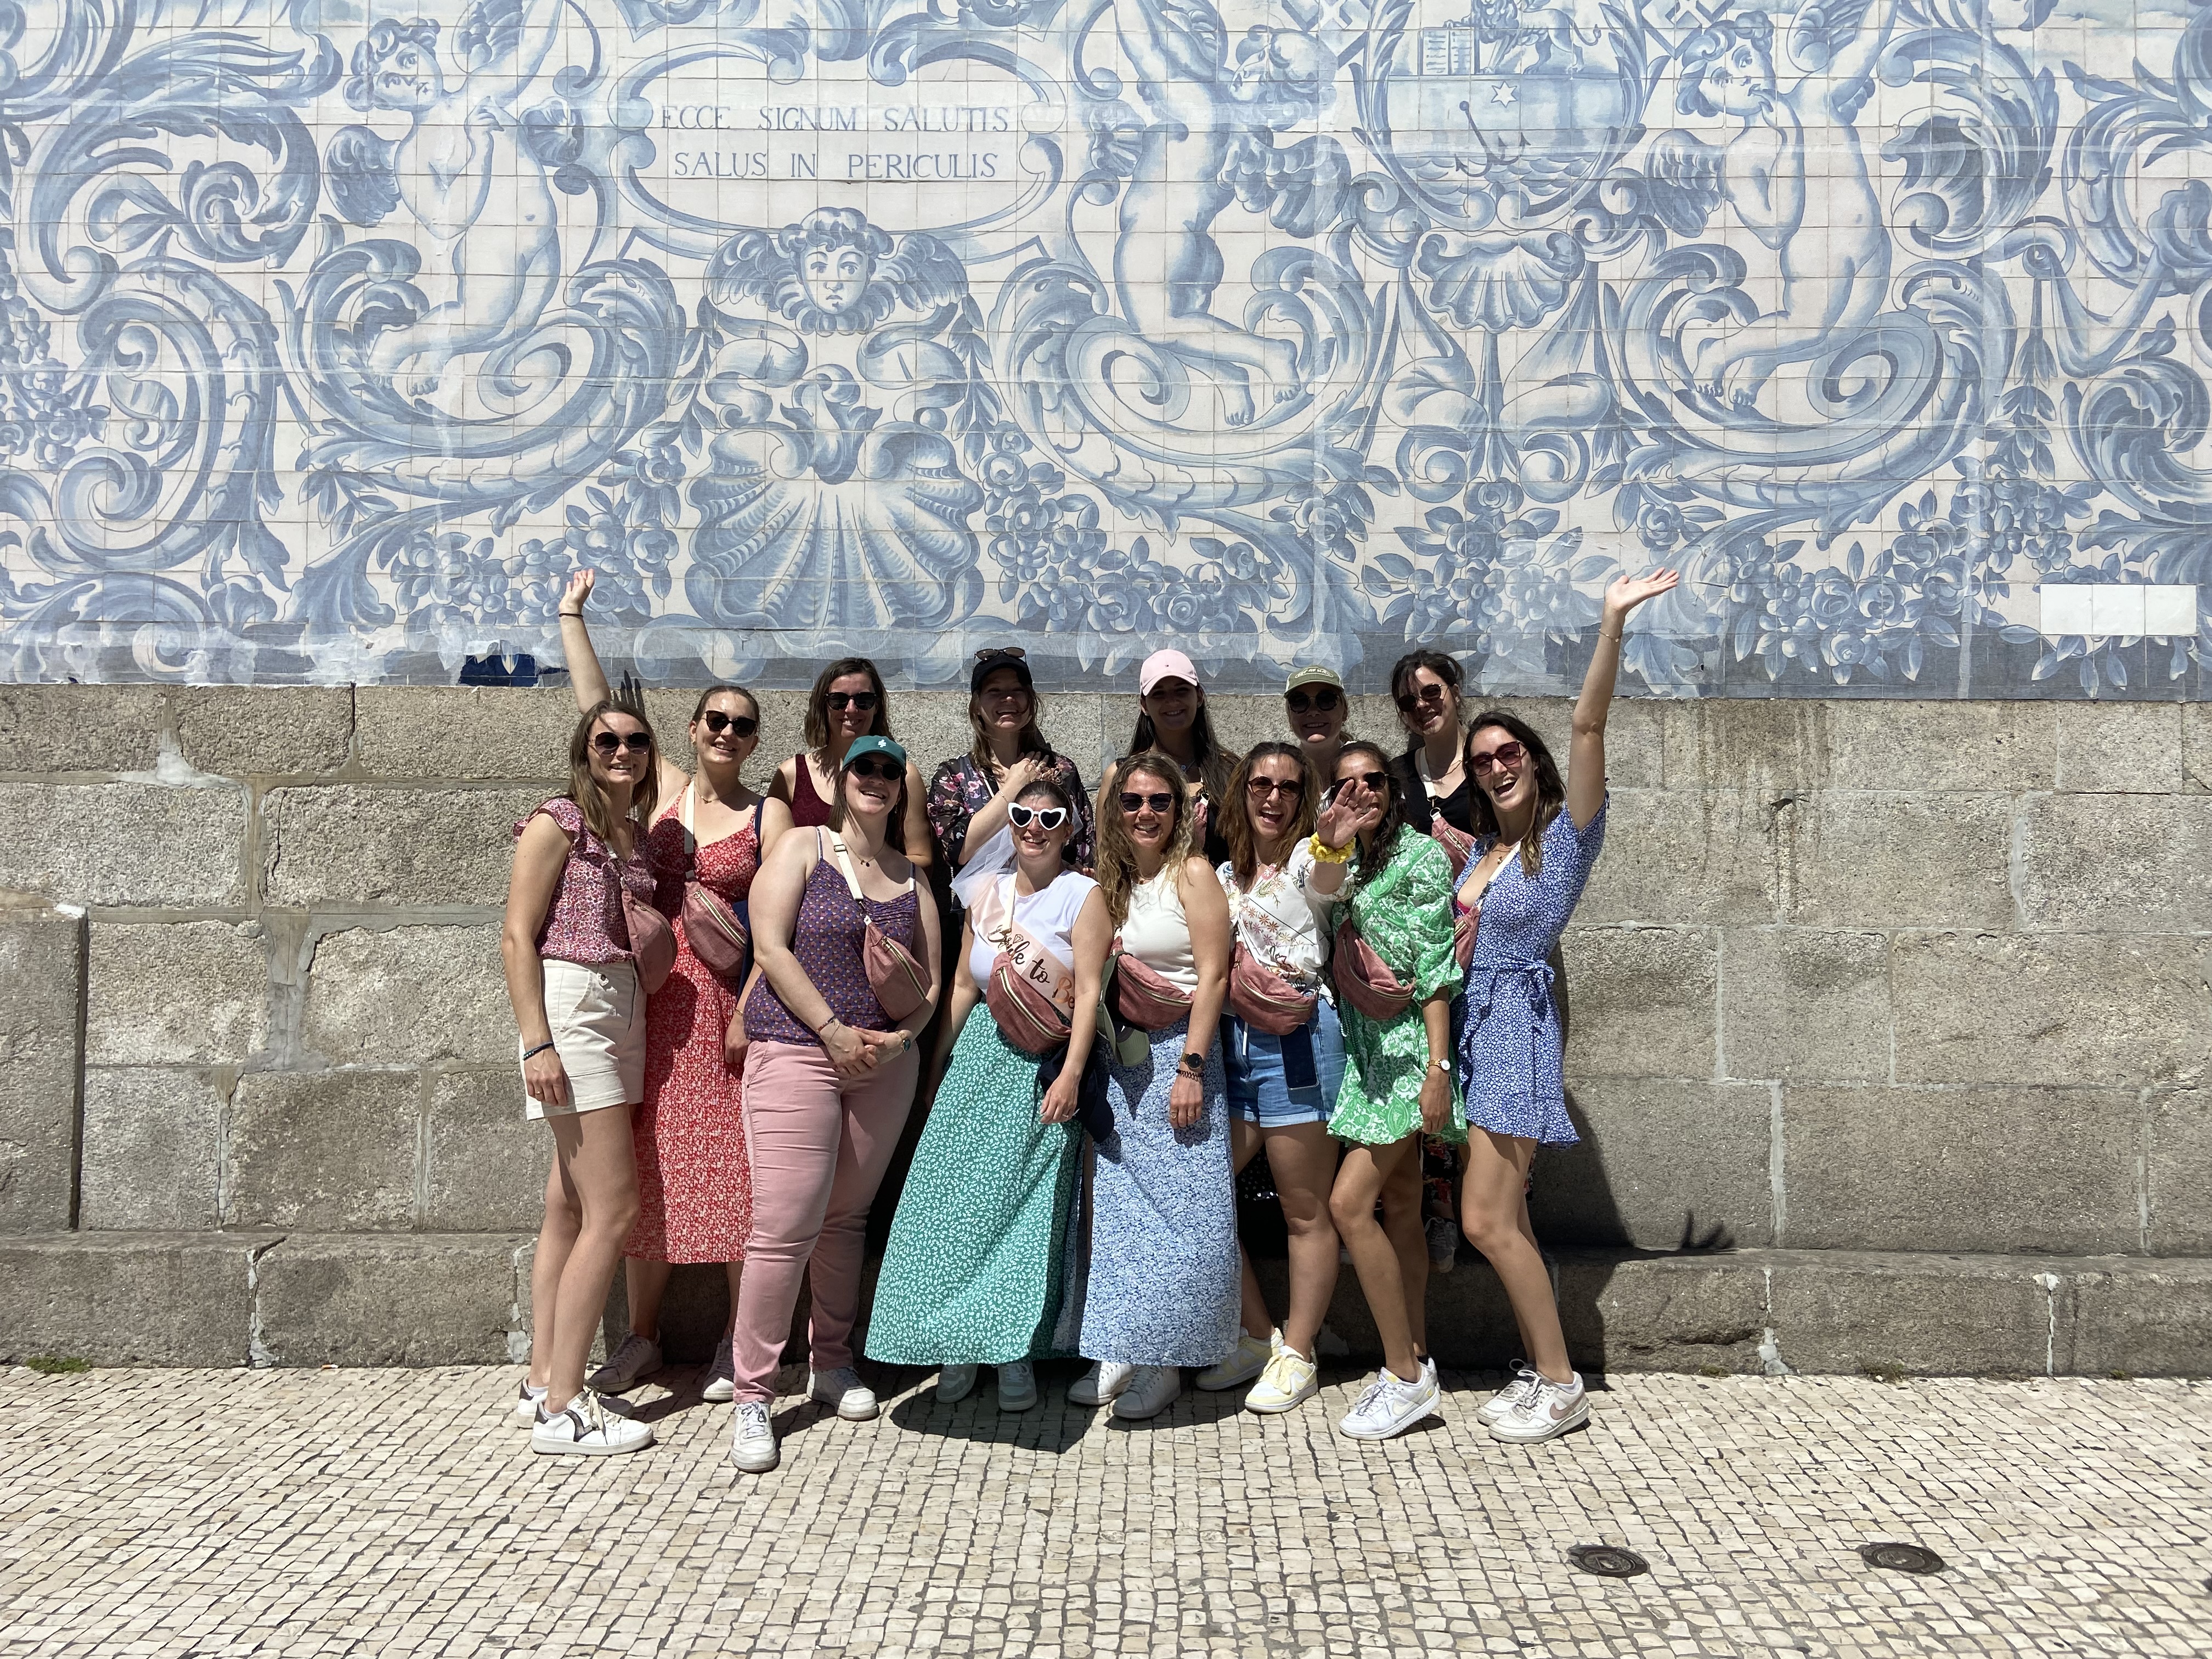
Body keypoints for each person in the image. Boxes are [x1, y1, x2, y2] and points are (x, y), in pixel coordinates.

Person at [555, 572, 792, 1404]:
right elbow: (598, 712)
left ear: (754, 741)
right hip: (650, 1000)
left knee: (737, 1168)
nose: (727, 732)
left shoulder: (769, 815)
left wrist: (754, 1008)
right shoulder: (660, 790)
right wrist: (571, 618)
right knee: (647, 1167)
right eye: (715, 720)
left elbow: (782, 924)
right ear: (691, 730)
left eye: (742, 725)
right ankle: (643, 1336)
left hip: (727, 1002)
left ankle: (738, 1340)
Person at [1458, 569, 1680, 1443]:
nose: (1497, 765)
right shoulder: (1481, 849)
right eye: (1484, 760)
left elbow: (1589, 725)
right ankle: (1539, 1365)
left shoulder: (1564, 838)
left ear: (1534, 761)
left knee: (1483, 1217)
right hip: (1472, 1033)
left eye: (1509, 751)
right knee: (1508, 1216)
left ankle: (1561, 1381)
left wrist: (1611, 623)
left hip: (1517, 1032)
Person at [727, 735, 943, 1472]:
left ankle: (831, 1361)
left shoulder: (913, 879)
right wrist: (831, 1031)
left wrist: (901, 1041)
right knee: (784, 1228)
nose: (876, 779)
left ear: (901, 788)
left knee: (846, 1219)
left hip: (881, 1069)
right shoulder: (801, 846)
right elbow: (769, 947)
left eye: (890, 771)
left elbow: (931, 988)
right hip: (795, 1049)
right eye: (864, 768)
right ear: (843, 780)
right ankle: (754, 1394)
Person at [866, 776, 1110, 1406]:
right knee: (951, 1205)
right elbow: (962, 987)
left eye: (1049, 818)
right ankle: (957, 1342)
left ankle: (1011, 1350)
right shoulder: (986, 894)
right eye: (1023, 815)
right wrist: (935, 1067)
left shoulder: (1083, 897)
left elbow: (1088, 993)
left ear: (1068, 828)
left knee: (1021, 1212)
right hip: (978, 1061)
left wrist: (1071, 1074)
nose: (1034, 828)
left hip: (1040, 1069)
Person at [500, 698, 663, 1456]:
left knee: (567, 1204)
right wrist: (537, 1043)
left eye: (636, 740)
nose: (622, 750)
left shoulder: (633, 833)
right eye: (607, 739)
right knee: (615, 1208)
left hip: (623, 1006)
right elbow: (515, 936)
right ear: (584, 749)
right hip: (573, 1003)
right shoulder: (558, 821)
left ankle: (542, 1380)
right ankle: (567, 1408)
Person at [1072, 753, 1237, 1420]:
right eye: (1132, 801)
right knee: (1122, 1211)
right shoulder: (1108, 886)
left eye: (1159, 801)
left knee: (1185, 1215)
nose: (1145, 813)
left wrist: (1191, 1068)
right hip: (1123, 1062)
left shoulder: (1192, 874)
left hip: (1180, 1056)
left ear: (1181, 810)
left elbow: (1215, 976)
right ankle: (1123, 1344)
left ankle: (1167, 1359)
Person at [1203, 741, 1363, 1414]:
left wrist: (1332, 844)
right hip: (1232, 1049)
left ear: (1305, 799)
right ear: (1242, 792)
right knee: (1202, 1195)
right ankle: (1256, 1334)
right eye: (1261, 785)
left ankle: (1298, 1353)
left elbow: (1327, 884)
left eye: (1289, 787)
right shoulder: (1222, 874)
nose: (1273, 797)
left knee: (1305, 1209)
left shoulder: (1306, 859)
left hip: (1299, 1042)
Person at [1323, 740, 1465, 1441]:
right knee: (1402, 1207)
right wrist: (1332, 841)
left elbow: (1435, 969)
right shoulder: (1345, 858)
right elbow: (1320, 894)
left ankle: (1403, 1377)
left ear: (1394, 788)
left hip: (1407, 1057)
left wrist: (1438, 1071)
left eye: (1374, 781)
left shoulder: (1421, 858)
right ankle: (1419, 1352)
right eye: (1347, 785)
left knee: (1349, 1205)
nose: (1363, 794)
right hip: (1366, 1056)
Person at [772, 657, 932, 865]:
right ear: (823, 705)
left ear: (876, 707)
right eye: (838, 700)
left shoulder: (901, 775)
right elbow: (774, 858)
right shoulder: (791, 774)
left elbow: (922, 859)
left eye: (864, 700)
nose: (851, 709)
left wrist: (862, 872)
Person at [1101, 650, 1233, 867]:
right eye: (1159, 694)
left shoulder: (1230, 770)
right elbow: (1107, 858)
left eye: (1181, 691)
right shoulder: (1119, 775)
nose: (1172, 701)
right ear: (1144, 705)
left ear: (1199, 696)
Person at [1386, 649, 1472, 846]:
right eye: (1408, 701)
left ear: (1455, 694)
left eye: (1431, 692)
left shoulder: (1491, 759)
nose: (1421, 705)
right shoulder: (1397, 775)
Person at [1282, 664, 1351, 779]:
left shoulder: (1367, 767)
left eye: (1326, 700)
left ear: (1345, 712)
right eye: (1299, 702)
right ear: (1290, 717)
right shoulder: (1278, 774)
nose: (1313, 712)